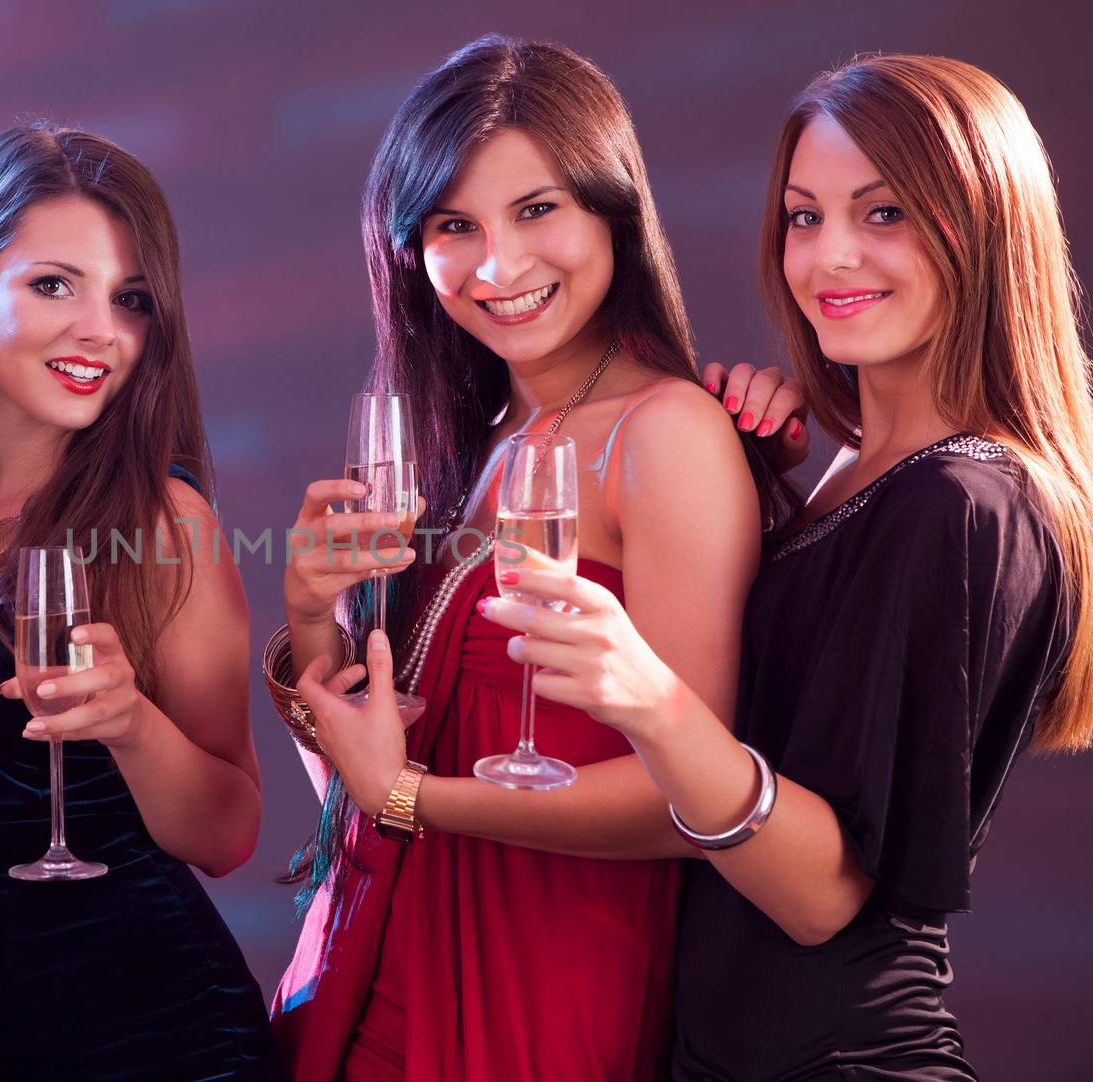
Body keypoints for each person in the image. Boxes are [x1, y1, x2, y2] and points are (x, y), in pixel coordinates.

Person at [477, 53, 1093, 1080]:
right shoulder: (865, 468)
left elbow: (821, 896)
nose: (831, 256)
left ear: (984, 227)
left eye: (883, 212)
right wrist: (764, 487)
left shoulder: (960, 501)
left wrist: (653, 702)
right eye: (804, 216)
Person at [268, 36, 801, 1082]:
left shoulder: (665, 432)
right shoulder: (474, 439)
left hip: (531, 980)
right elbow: (352, 781)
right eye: (453, 225)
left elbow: (686, 804)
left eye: (537, 208)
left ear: (611, 209)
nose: (498, 265)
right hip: (371, 960)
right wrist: (312, 617)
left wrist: (414, 795)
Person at [0, 122, 282, 1080]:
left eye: (131, 298)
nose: (99, 332)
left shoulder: (159, 519)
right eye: (53, 285)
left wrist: (131, 724)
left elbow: (230, 831)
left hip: (159, 1041)